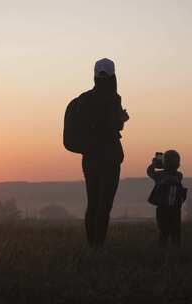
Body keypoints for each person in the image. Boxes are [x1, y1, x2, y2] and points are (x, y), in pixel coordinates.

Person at [78, 58, 129, 247]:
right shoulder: (114, 98)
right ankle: (99, 245)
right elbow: (113, 125)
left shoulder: (83, 99)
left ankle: (91, 244)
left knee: (92, 202)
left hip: (89, 157)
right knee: (104, 204)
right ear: (113, 75)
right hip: (109, 157)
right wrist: (122, 119)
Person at [147, 150, 187, 247]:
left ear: (164, 163)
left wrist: (153, 164)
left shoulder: (159, 176)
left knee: (163, 232)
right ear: (178, 164)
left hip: (162, 209)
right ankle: (176, 249)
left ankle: (162, 250)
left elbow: (149, 172)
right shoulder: (179, 175)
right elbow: (173, 171)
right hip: (176, 209)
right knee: (176, 232)